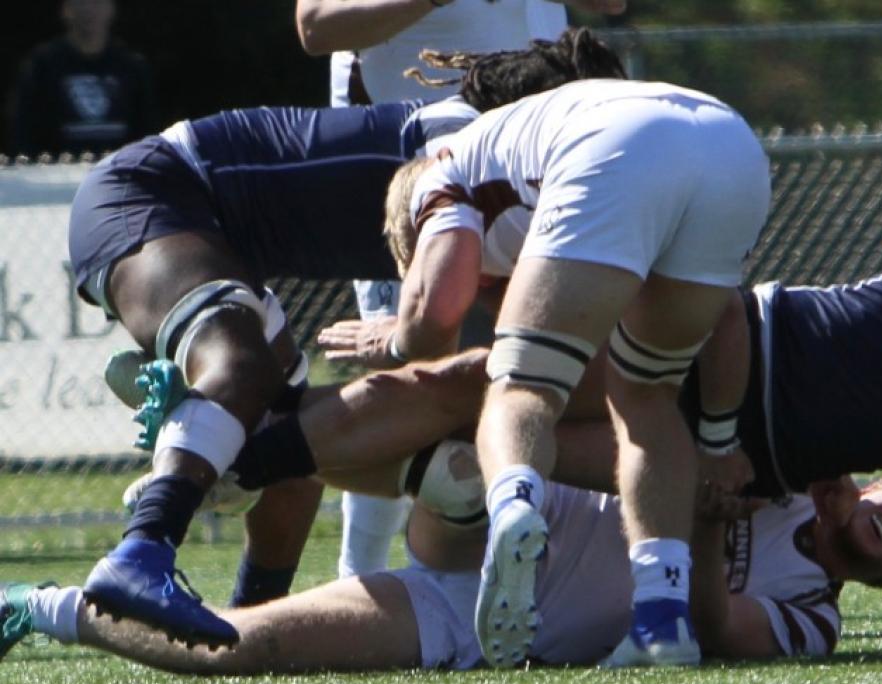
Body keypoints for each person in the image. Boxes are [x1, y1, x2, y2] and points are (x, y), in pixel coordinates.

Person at [240, 190, 882, 636]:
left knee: (466, 452)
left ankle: (247, 438)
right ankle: (239, 445)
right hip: (725, 344)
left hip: (727, 465)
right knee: (471, 388)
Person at [67, 33, 625, 648]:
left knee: (295, 452)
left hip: (215, 237)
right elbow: (446, 333)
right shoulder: (468, 146)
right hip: (150, 193)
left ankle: (240, 622)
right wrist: (403, 351)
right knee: (244, 367)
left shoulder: (509, 187)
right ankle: (142, 549)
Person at [325, 76, 773, 669]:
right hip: (735, 146)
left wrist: (393, 340)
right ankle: (662, 621)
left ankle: (513, 506)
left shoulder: (437, 175)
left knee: (519, 386)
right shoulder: (520, 157)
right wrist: (718, 440)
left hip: (616, 148)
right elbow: (731, 319)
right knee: (645, 399)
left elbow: (435, 315)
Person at [0, 467, 882, 672]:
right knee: (455, 450)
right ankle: (215, 444)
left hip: (475, 619)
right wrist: (738, 471)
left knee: (228, 648)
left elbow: (723, 629)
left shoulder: (817, 618)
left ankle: (33, 606)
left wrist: (692, 511)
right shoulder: (789, 467)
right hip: (521, 514)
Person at [293, 0, 628, 586]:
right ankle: (362, 578)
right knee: (415, 378)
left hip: (543, 162)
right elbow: (317, 24)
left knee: (560, 368)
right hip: (421, 169)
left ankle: (572, 565)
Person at [6, 0, 155, 157]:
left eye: (97, 3)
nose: (88, 9)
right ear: (65, 9)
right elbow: (23, 132)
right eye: (80, 2)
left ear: (111, 8)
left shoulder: (132, 67)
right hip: (54, 176)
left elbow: (147, 133)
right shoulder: (42, 66)